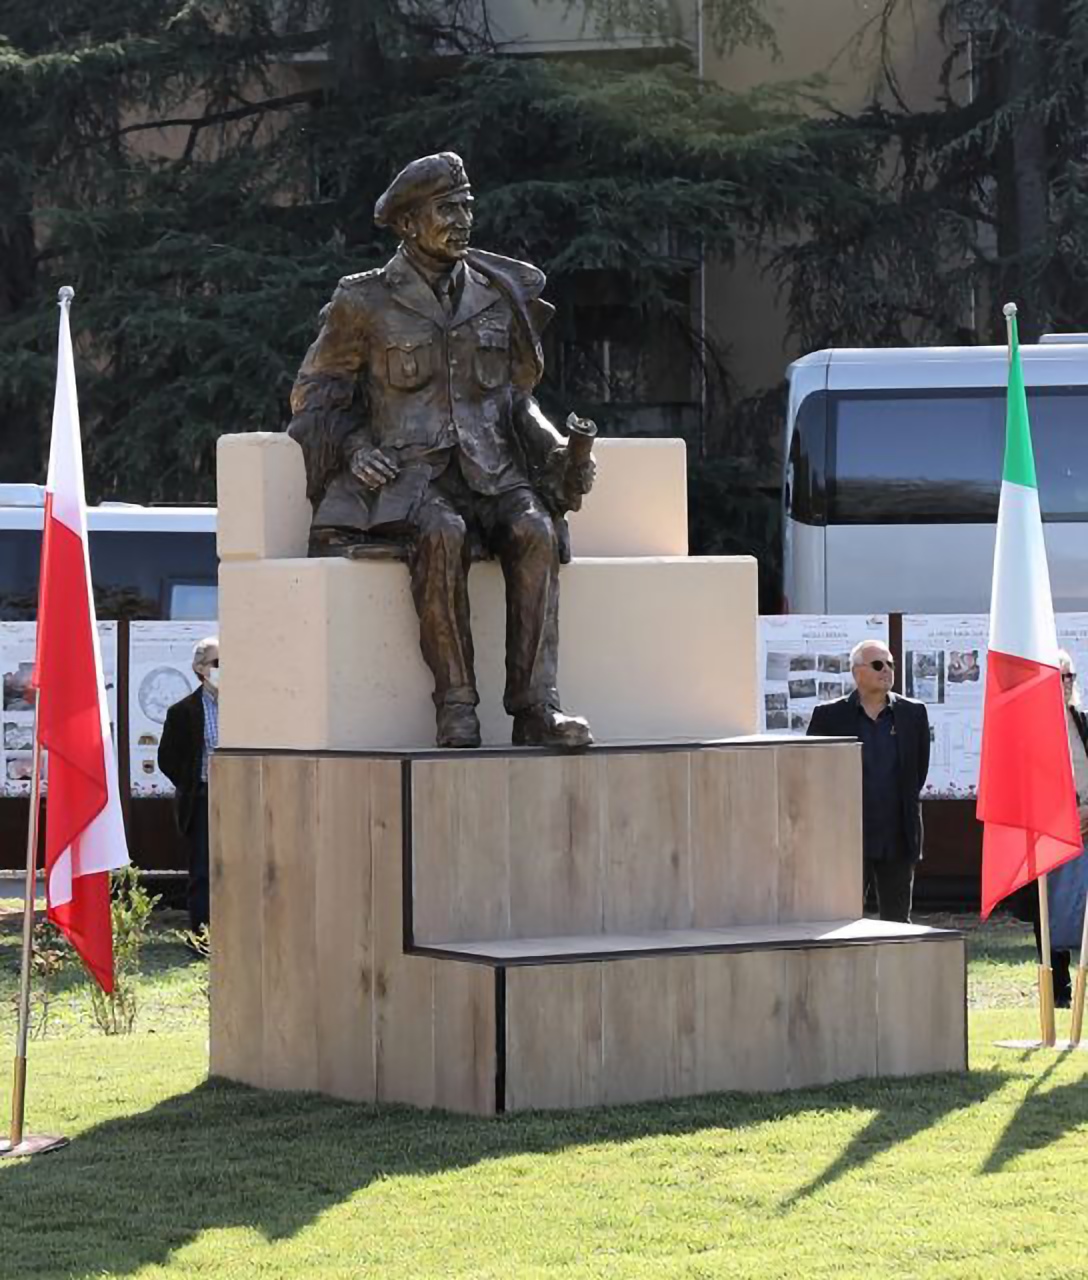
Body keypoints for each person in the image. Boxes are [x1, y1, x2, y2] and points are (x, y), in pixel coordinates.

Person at [285, 151, 595, 751]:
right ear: (407, 223)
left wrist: (559, 444)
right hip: (411, 474)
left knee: (534, 529)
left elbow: (513, 397)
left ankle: (537, 707)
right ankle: (456, 705)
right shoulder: (364, 300)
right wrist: (353, 448)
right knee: (441, 533)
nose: (463, 219)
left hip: (492, 468)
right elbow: (316, 394)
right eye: (447, 208)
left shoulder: (495, 294)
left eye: (467, 207)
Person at [807, 639, 930, 922]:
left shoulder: (913, 714)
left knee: (897, 921)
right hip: (847, 836)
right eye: (878, 664)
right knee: (841, 920)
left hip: (898, 835)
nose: (886, 670)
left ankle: (896, 967)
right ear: (856, 672)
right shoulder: (829, 717)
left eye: (890, 664)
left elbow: (917, 773)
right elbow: (815, 772)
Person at [1015, 650, 1088, 1006]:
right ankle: (1058, 992)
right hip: (1049, 833)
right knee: (1051, 911)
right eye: (1059, 677)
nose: (1066, 684)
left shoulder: (1083, 721)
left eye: (1070, 676)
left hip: (1087, 827)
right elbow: (1023, 786)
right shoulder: (1027, 730)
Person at [157, 637, 218, 934]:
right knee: (203, 871)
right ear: (200, 669)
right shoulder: (182, 712)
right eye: (217, 663)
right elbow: (168, 759)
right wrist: (193, 783)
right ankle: (203, 936)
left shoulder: (248, 709)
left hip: (241, 798)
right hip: (203, 799)